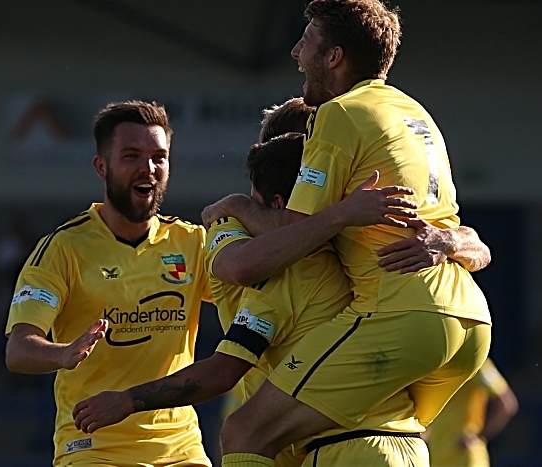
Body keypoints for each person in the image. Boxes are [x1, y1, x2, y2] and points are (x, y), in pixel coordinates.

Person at [73, 131, 489, 467]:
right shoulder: (360, 250)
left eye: (253, 202)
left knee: (241, 432)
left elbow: (222, 369)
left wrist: (128, 399)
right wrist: (452, 239)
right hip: (411, 446)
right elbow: (476, 246)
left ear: (275, 205)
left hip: (344, 452)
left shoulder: (285, 275)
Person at [198, 2, 493, 466]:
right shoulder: (413, 113)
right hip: (470, 321)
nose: (296, 52)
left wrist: (235, 207)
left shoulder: (338, 115)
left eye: (307, 42)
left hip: (401, 316)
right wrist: (450, 241)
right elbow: (465, 236)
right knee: (373, 423)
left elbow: (295, 233)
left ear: (334, 56)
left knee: (245, 430)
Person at [4, 100, 215, 467]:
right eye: (131, 156)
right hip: (93, 450)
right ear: (101, 166)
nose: (147, 168)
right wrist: (63, 353)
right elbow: (19, 350)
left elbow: (255, 288)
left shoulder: (191, 243)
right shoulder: (63, 248)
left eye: (158, 157)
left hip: (181, 451)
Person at [425, 358, 519, 467]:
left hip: (464, 458)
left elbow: (506, 405)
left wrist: (478, 437)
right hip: (436, 457)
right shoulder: (439, 364)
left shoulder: (477, 363)